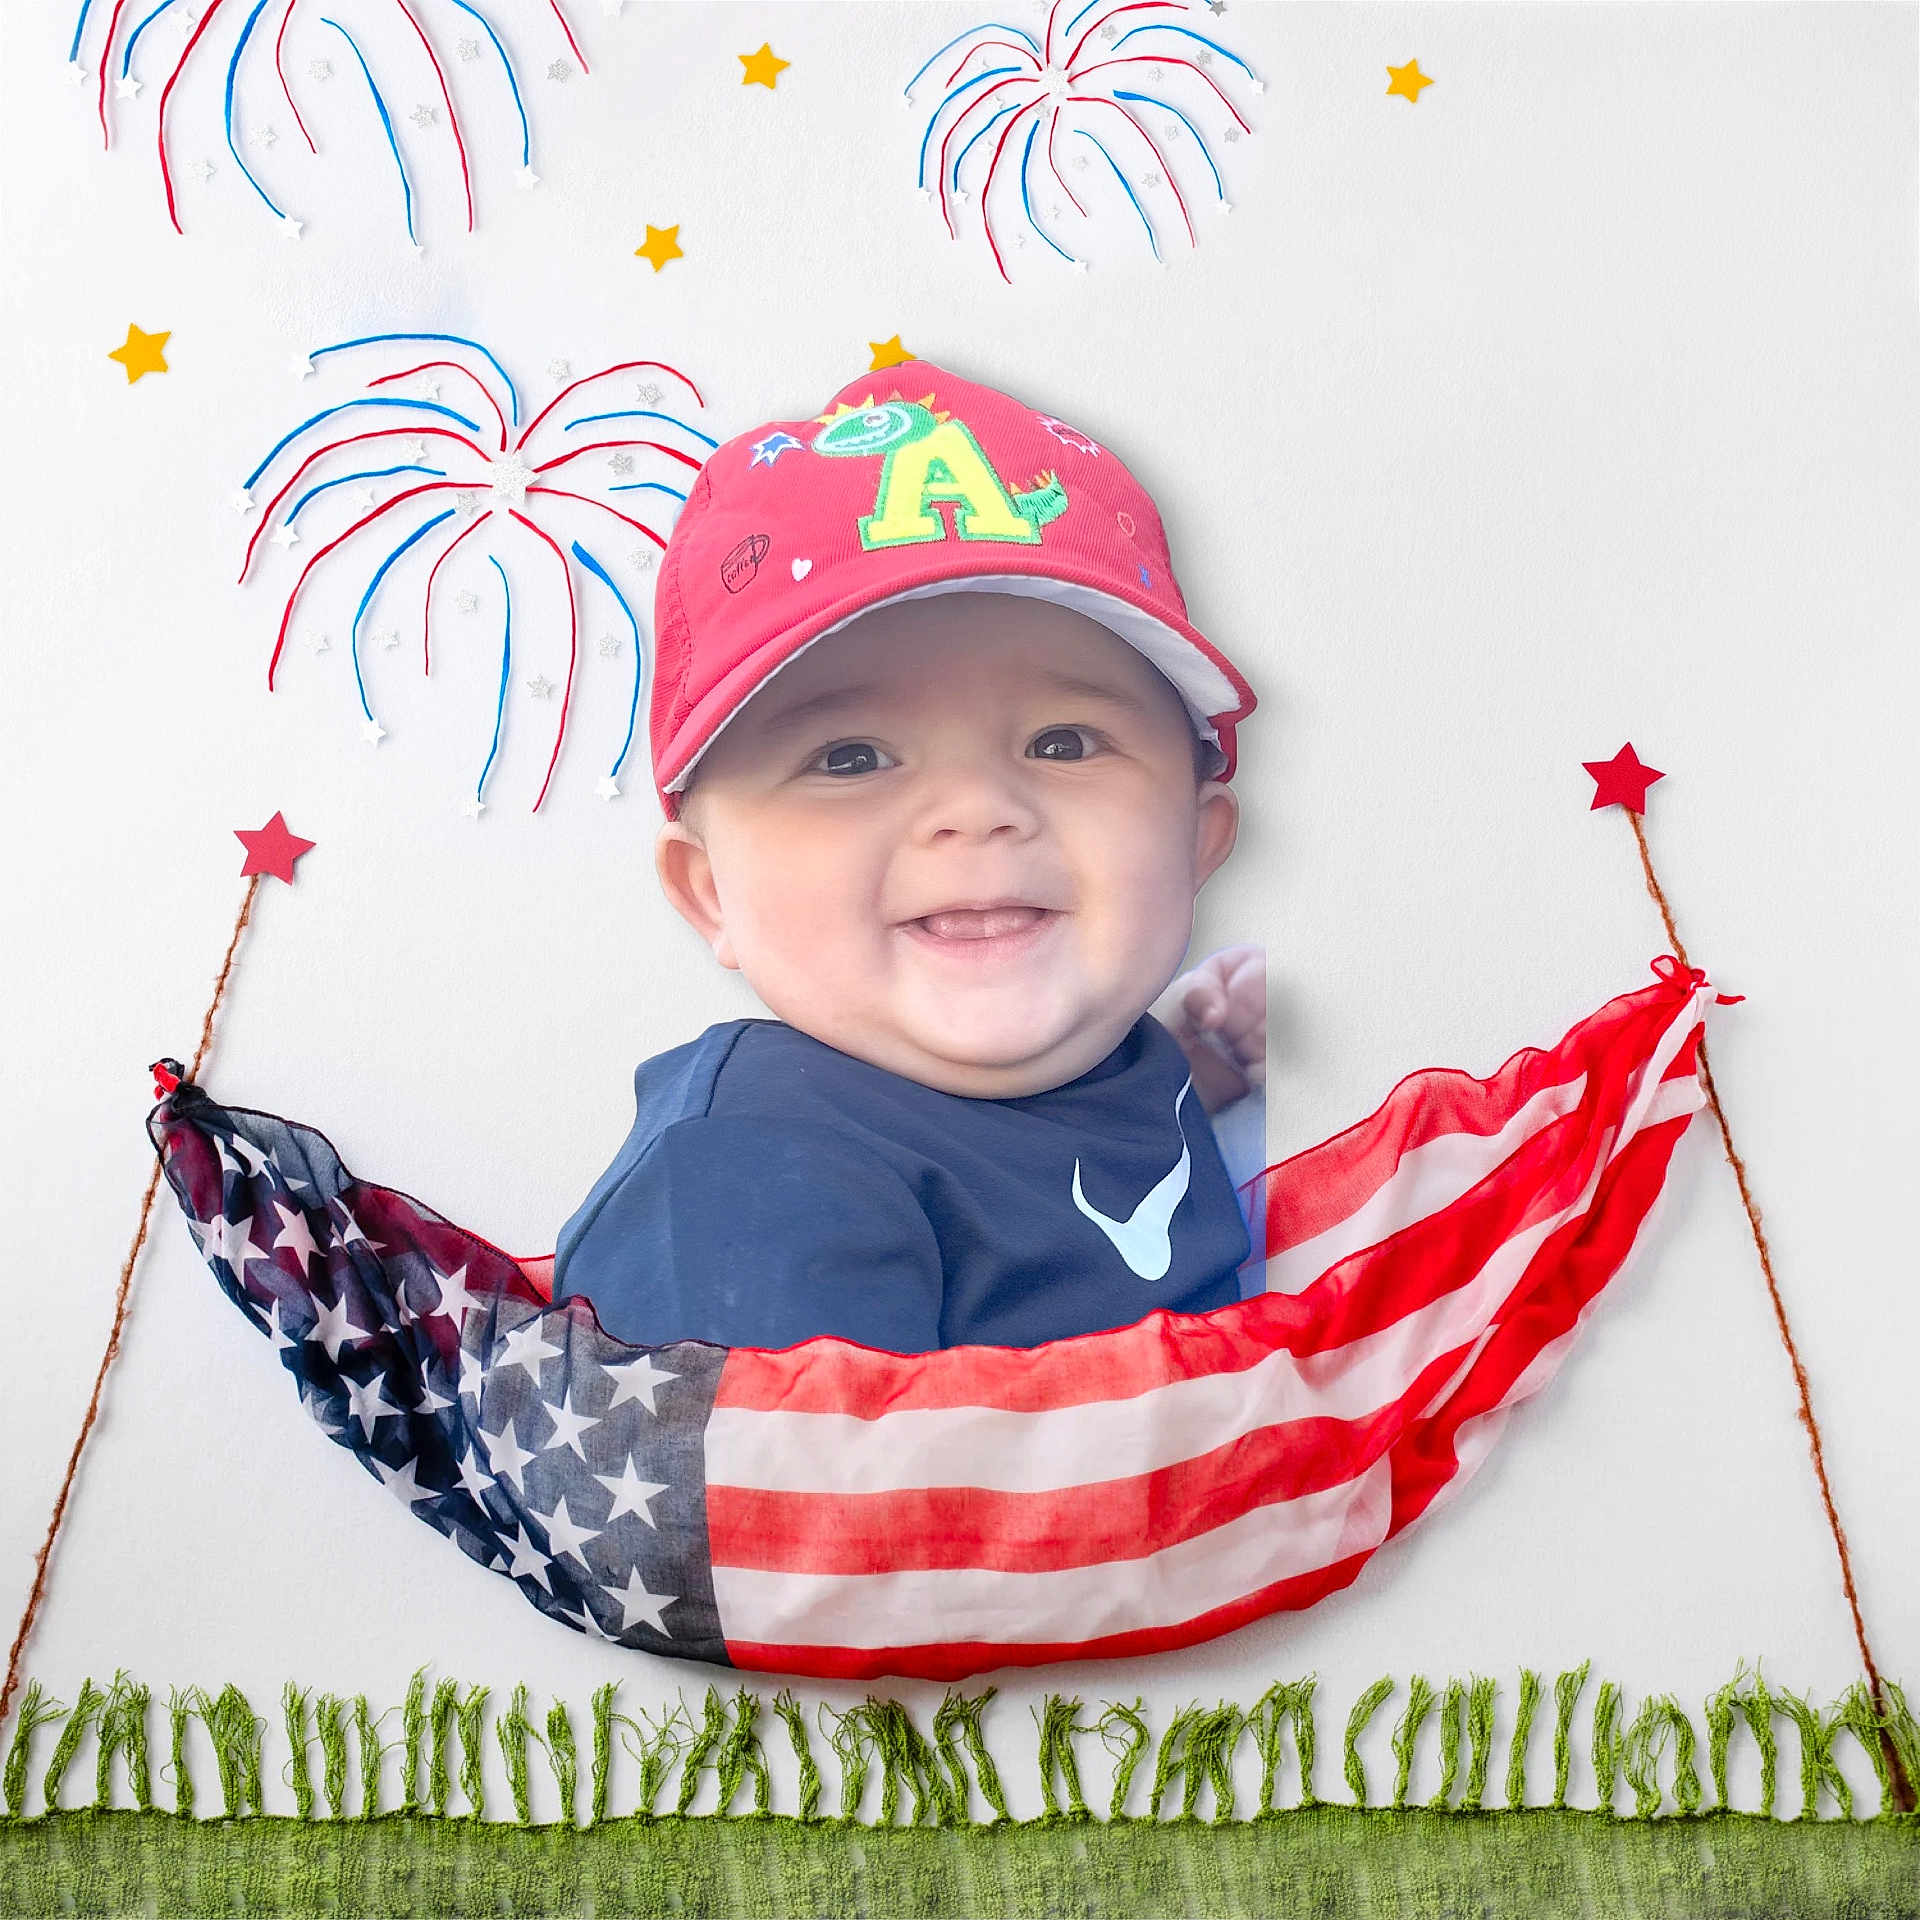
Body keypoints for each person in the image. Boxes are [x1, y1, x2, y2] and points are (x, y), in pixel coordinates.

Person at [552, 360, 1266, 1352]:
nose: (977, 811)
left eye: (1062, 742)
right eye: (849, 758)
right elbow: (774, 1498)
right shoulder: (748, 1182)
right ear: (710, 892)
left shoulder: (1109, 1058)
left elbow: (1067, 1155)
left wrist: (1208, 1068)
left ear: (1198, 839)